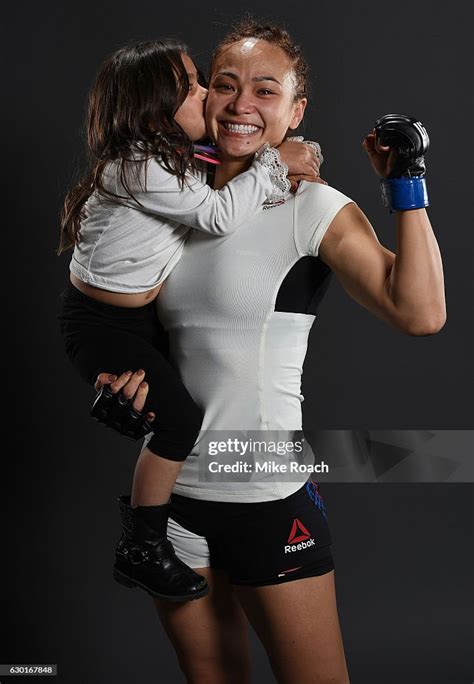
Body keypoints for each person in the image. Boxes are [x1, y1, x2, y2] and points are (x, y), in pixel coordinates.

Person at [92, 19, 446, 684]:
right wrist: (120, 382)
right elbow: (137, 331)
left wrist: (407, 183)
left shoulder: (309, 206)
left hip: (263, 490)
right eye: (224, 85)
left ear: (295, 110)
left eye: (265, 89)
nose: (241, 105)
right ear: (201, 98)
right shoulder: (169, 199)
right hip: (168, 500)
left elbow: (420, 312)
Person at [56, 39, 323, 603]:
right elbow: (221, 213)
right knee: (179, 422)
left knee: (164, 396)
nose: (210, 97)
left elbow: (223, 176)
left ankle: (126, 411)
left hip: (136, 322)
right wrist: (276, 162)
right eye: (198, 88)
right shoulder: (138, 166)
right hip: (101, 323)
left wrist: (282, 173)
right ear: (156, 112)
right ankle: (143, 545)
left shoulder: (175, 156)